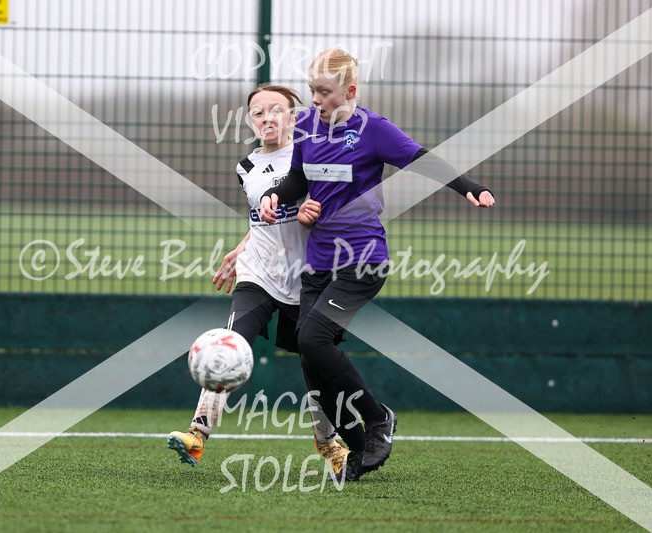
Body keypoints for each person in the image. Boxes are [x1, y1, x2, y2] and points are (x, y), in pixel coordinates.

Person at [259, 48, 496, 482]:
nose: (314, 99)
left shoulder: (373, 130)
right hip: (319, 263)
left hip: (362, 259)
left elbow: (422, 159)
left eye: (324, 91)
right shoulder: (307, 127)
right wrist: (279, 195)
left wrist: (469, 186)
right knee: (310, 361)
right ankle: (358, 449)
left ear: (349, 91)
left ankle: (379, 419)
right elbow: (297, 178)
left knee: (313, 339)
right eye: (311, 90)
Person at [167, 84, 349, 474]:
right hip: (258, 272)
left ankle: (328, 442)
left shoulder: (313, 155)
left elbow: (327, 207)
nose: (267, 118)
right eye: (258, 113)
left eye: (276, 110)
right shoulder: (246, 167)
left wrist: (312, 214)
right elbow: (262, 217)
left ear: (294, 116)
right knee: (228, 343)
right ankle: (197, 434)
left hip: (308, 277)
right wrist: (240, 248)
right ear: (250, 120)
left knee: (315, 359)